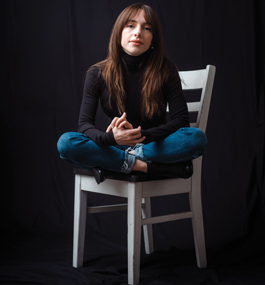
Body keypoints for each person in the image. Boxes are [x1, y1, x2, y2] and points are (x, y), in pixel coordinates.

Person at [57, 3, 207, 184]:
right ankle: (142, 165)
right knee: (66, 142)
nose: (137, 33)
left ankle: (119, 161)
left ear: (153, 39)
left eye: (146, 28)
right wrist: (111, 138)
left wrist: (140, 135)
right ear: (119, 32)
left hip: (154, 145)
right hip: (114, 145)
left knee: (197, 138)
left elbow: (181, 121)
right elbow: (84, 124)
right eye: (130, 25)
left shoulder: (166, 70)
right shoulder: (97, 73)